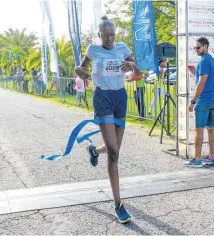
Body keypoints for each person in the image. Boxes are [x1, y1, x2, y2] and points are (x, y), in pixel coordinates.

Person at [74, 16, 140, 224]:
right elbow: (80, 69)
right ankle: (118, 204)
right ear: (100, 35)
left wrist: (131, 65)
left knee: (116, 149)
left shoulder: (122, 47)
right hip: (102, 97)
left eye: (112, 34)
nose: (110, 38)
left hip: (120, 96)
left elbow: (136, 68)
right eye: (106, 35)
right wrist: (82, 74)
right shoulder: (93, 50)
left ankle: (94, 150)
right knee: (113, 153)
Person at [185, 37, 214, 167]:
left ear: (205, 46)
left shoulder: (204, 61)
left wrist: (193, 101)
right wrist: (195, 71)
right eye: (195, 48)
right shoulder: (212, 60)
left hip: (203, 101)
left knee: (199, 130)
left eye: (198, 47)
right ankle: (211, 157)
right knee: (211, 128)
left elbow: (202, 82)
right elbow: (207, 78)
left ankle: (197, 159)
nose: (196, 50)